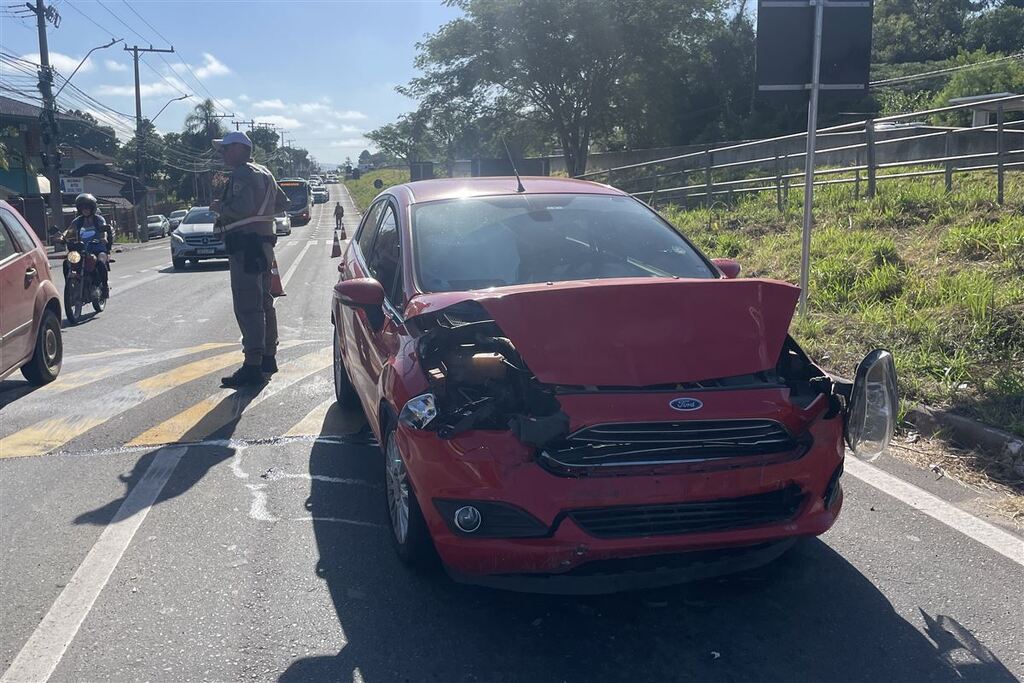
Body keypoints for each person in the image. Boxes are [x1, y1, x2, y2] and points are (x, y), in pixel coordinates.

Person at [211, 131, 289, 388]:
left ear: (238, 149)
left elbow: (243, 208)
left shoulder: (242, 174)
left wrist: (220, 208)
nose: (222, 154)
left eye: (225, 149)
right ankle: (268, 357)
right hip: (263, 246)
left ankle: (252, 365)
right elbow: (282, 202)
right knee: (264, 301)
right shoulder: (265, 172)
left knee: (248, 305)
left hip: (245, 247)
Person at [65, 193, 113, 297]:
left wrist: (103, 238)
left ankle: (104, 287)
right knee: (67, 262)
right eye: (83, 207)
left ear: (92, 208)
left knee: (100, 262)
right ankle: (69, 286)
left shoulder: (99, 219)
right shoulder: (77, 221)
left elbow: (103, 230)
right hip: (81, 249)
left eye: (87, 207)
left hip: (97, 248)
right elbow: (69, 231)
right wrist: (62, 237)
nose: (85, 210)